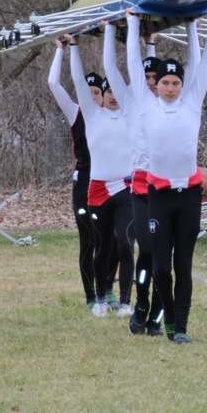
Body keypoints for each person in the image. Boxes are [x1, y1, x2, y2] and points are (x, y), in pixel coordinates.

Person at [126, 8, 207, 344]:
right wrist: (132, 22)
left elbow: (204, 61)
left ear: (182, 84)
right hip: (159, 196)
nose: (170, 87)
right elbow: (130, 64)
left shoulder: (191, 102)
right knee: (161, 268)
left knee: (183, 265)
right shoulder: (146, 104)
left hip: (190, 196)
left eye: (175, 82)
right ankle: (165, 318)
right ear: (157, 85)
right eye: (165, 82)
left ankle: (179, 326)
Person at [68, 29, 135, 318]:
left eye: (118, 92)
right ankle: (98, 298)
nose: (114, 97)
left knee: (125, 241)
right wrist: (73, 46)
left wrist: (145, 40)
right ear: (103, 96)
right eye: (109, 92)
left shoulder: (132, 114)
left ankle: (125, 302)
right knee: (102, 246)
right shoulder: (92, 115)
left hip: (125, 188)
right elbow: (78, 80)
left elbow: (133, 69)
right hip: (97, 189)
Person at [103, 30, 166, 335]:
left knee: (163, 256)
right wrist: (113, 29)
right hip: (141, 187)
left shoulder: (173, 104)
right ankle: (140, 307)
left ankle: (157, 316)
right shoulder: (130, 102)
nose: (152, 82)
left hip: (169, 189)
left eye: (156, 78)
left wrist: (151, 42)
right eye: (147, 78)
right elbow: (114, 67)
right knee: (147, 251)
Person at [47, 40, 104, 309]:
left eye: (97, 93)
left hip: (108, 182)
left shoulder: (111, 115)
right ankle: (90, 295)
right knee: (88, 240)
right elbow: (53, 83)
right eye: (88, 92)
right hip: (83, 183)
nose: (92, 97)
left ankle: (106, 291)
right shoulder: (75, 112)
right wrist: (62, 49)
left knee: (110, 240)